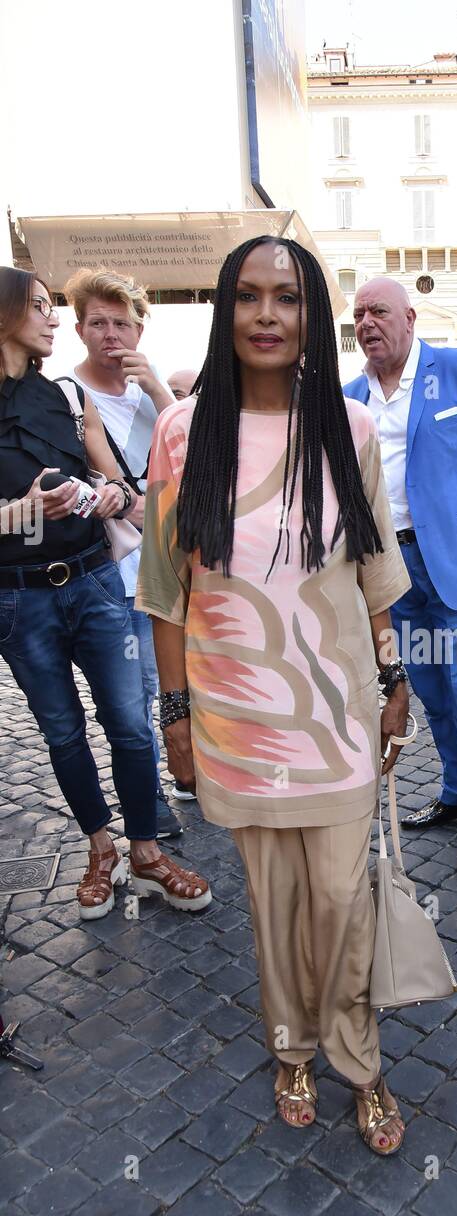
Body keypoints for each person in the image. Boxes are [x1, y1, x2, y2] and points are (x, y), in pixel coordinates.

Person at [137, 236, 412, 1154]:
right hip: (234, 715)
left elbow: (373, 570)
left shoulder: (351, 427)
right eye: (248, 297)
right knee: (274, 904)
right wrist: (174, 716)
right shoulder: (184, 432)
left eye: (286, 298)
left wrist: (398, 677)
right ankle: (291, 1048)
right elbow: (166, 592)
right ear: (226, 312)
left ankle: (358, 1058)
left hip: (336, 711)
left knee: (343, 897)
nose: (266, 315)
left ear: (311, 316)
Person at [0, 267, 211, 919]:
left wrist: (108, 495)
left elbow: (117, 481)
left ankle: (146, 853)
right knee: (62, 732)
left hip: (93, 581)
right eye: (40, 307)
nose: (53, 319)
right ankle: (101, 850)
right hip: (18, 599)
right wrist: (24, 512)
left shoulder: (65, 394)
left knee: (128, 723)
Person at [343, 277, 457, 870]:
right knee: (433, 693)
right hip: (391, 570)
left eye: (380, 311)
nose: (367, 323)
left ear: (410, 318)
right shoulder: (347, 397)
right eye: (359, 313)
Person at [65, 267, 181, 838]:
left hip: (175, 562)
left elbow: (197, 450)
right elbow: (95, 486)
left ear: (139, 331)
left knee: (182, 677)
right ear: (80, 328)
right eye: (98, 323)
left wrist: (160, 390)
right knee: (132, 696)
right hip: (116, 568)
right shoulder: (68, 393)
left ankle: (184, 767)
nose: (111, 335)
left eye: (123, 324)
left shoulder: (151, 393)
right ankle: (148, 799)